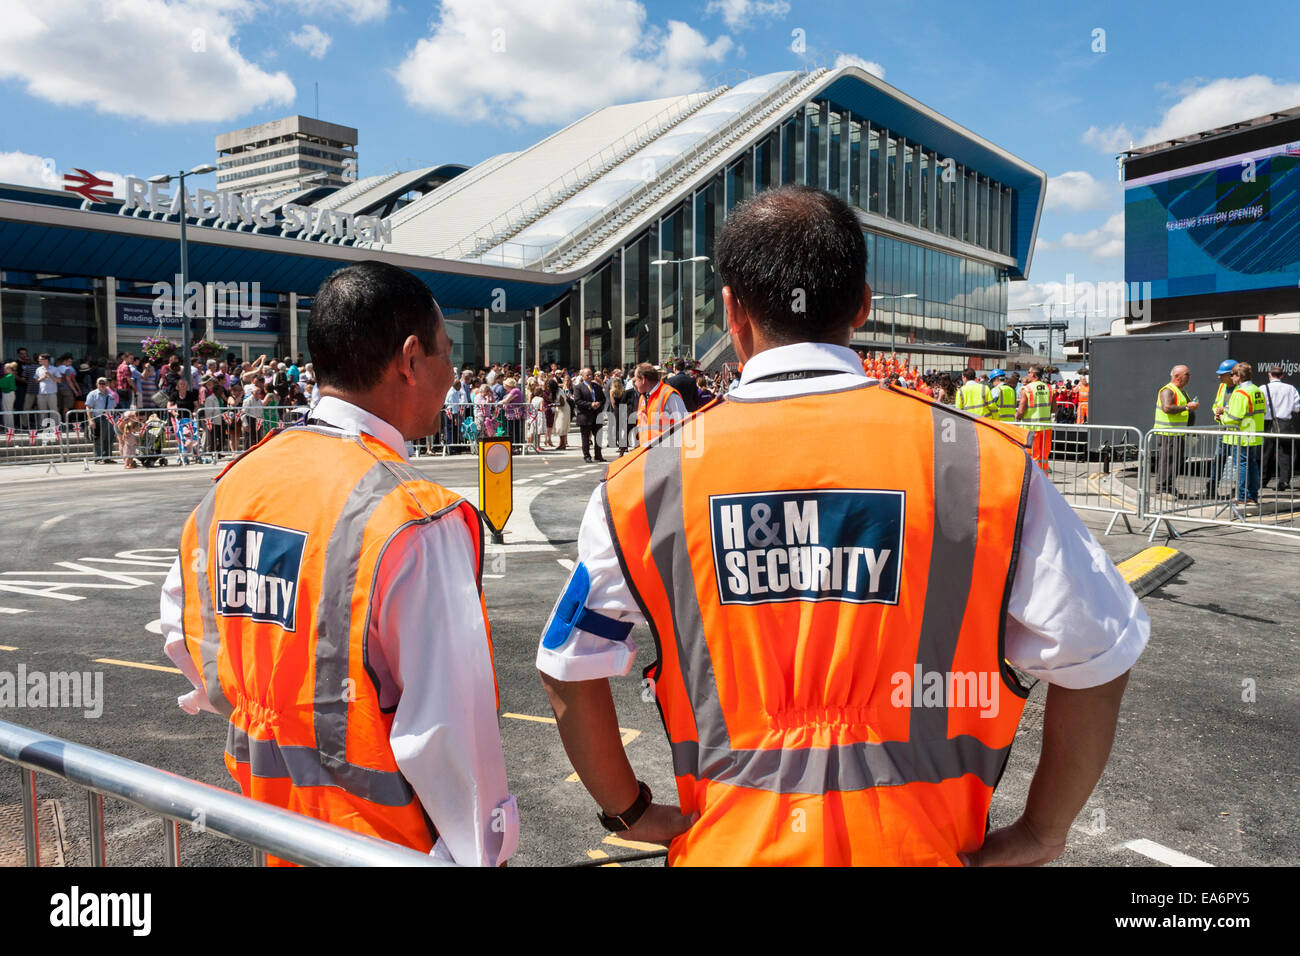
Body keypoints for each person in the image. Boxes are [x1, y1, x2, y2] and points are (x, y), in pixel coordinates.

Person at [535, 185, 1147, 866]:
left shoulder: (644, 482)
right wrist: (1040, 831)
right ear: (862, 304)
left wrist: (631, 809)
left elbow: (567, 665)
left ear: (732, 310)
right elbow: (1102, 649)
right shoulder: (984, 465)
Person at [159, 260, 517, 866]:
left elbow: (184, 632)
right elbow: (453, 739)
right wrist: (489, 851)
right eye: (446, 354)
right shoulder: (414, 516)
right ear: (409, 360)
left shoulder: (236, 482)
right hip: (387, 847)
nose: (454, 375)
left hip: (274, 833)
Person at [1219, 362, 1266, 505]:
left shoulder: (1240, 393)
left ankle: (1241, 496)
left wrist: (1221, 417)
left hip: (1241, 436)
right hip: (1254, 434)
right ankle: (1252, 495)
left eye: (1232, 375)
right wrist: (1227, 411)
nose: (1231, 377)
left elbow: (1235, 419)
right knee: (1251, 464)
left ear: (1239, 376)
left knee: (1241, 465)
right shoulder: (1257, 390)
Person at [1152, 364, 1198, 498]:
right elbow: (1167, 408)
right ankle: (1162, 490)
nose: (1189, 377)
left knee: (1176, 461)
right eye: (1187, 374)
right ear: (1177, 376)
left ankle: (1170, 487)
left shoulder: (1181, 391)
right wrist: (1187, 408)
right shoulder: (1167, 390)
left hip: (1178, 433)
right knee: (1168, 461)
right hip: (1168, 433)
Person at [1261, 365, 1297, 493]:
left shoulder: (1263, 388)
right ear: (1281, 376)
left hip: (1268, 423)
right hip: (1285, 423)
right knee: (1285, 454)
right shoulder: (1290, 389)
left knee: (1266, 453)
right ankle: (1284, 481)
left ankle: (1263, 480)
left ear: (1269, 375)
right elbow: (1297, 408)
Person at [633, 362, 687, 444]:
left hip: (666, 452)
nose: (635, 383)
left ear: (643, 379)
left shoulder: (669, 395)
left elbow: (683, 423)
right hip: (647, 451)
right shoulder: (643, 398)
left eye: (636, 380)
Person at [1017, 364, 1056, 473]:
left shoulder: (1027, 389)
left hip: (1031, 429)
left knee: (1032, 456)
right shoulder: (1049, 388)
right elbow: (1054, 409)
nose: (1028, 374)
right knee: (1043, 457)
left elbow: (1021, 411)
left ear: (1033, 374)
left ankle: (1032, 483)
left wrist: (1017, 416)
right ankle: (1043, 482)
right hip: (1046, 428)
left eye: (1029, 372)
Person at [573, 367, 605, 463]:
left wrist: (598, 404)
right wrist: (590, 405)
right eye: (588, 375)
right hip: (585, 416)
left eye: (591, 374)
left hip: (597, 415)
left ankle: (598, 455)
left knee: (598, 436)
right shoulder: (578, 387)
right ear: (582, 376)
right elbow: (577, 401)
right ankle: (587, 456)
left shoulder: (597, 386)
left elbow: (603, 399)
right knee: (586, 438)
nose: (590, 376)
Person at [84, 377, 119, 462]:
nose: (102, 385)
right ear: (97, 384)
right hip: (98, 419)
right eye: (100, 383)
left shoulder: (110, 395)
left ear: (107, 385)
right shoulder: (92, 394)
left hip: (109, 420)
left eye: (104, 383)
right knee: (99, 440)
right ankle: (98, 458)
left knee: (109, 439)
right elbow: (88, 407)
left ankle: (107, 458)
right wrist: (91, 420)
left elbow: (113, 407)